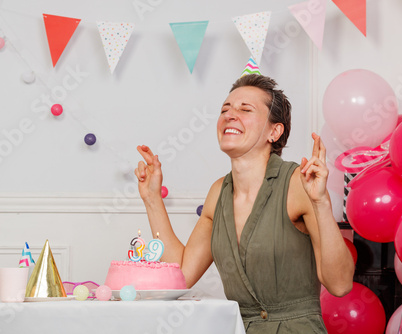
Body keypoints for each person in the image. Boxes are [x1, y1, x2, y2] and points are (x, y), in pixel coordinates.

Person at [134, 74, 354, 333]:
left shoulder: (297, 183)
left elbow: (339, 285)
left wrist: (321, 202)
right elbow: (180, 275)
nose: (230, 115)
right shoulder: (218, 192)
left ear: (275, 131)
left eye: (244, 109)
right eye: (225, 109)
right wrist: (151, 198)